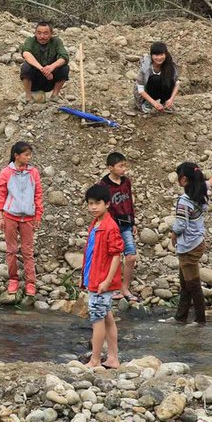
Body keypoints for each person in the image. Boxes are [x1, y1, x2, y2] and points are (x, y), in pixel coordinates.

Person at [167, 162, 212, 326]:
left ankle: (200, 320)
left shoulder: (184, 200)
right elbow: (205, 184)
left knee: (193, 284)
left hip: (188, 245)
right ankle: (180, 317)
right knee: (185, 282)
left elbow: (181, 224)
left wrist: (173, 234)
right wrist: (211, 181)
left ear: (183, 180)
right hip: (197, 241)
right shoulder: (200, 191)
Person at [81, 183, 124, 369]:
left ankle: (95, 359)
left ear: (107, 204)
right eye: (90, 203)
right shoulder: (96, 224)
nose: (92, 207)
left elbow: (116, 255)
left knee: (97, 320)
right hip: (94, 278)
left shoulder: (109, 226)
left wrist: (107, 280)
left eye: (97, 203)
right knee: (106, 317)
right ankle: (113, 358)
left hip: (101, 281)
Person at [0, 141, 44, 296]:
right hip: (10, 216)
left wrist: (38, 215)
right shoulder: (6, 173)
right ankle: (13, 279)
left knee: (27, 251)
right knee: (11, 249)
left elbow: (38, 195)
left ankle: (31, 282)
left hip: (28, 217)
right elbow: (1, 195)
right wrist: (0, 215)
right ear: (16, 156)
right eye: (26, 154)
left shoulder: (34, 172)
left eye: (30, 154)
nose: (29, 157)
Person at [101, 152, 139, 303]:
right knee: (113, 257)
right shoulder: (103, 186)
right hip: (111, 226)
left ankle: (124, 288)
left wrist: (133, 222)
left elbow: (129, 202)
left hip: (125, 225)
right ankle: (113, 286)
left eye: (125, 165)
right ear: (110, 168)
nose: (124, 169)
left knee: (130, 256)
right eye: (120, 166)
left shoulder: (126, 182)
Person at [19, 21, 69, 102]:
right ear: (35, 33)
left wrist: (51, 67)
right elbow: (26, 54)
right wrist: (43, 69)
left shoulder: (56, 42)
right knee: (25, 67)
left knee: (65, 68)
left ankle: (54, 96)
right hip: (35, 80)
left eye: (45, 33)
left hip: (50, 80)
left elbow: (64, 57)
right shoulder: (30, 40)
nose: (42, 36)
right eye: (39, 33)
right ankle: (28, 97)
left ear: (51, 34)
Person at [134, 41, 180, 114]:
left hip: (161, 91)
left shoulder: (171, 66)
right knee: (155, 79)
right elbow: (140, 89)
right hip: (147, 92)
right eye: (156, 55)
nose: (159, 58)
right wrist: (154, 103)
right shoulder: (145, 67)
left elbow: (176, 83)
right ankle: (148, 104)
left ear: (166, 54)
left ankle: (164, 102)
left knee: (168, 79)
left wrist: (171, 99)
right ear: (151, 55)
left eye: (161, 54)